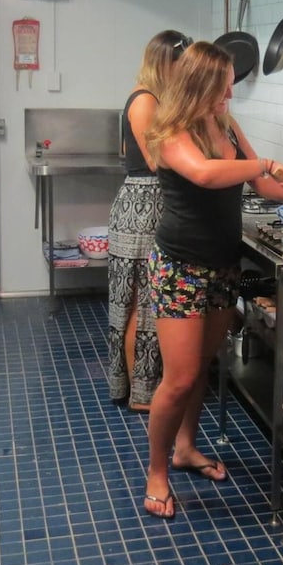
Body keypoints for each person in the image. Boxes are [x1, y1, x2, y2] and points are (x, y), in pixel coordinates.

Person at [142, 41, 283, 519]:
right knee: (179, 378)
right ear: (199, 85)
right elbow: (206, 174)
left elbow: (261, 185)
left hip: (222, 264)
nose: (230, 94)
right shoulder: (170, 130)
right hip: (179, 267)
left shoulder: (228, 125)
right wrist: (266, 163)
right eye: (224, 86)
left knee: (202, 365)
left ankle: (186, 448)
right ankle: (156, 473)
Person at [106, 30, 192, 411]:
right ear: (164, 63)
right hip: (141, 209)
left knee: (144, 304)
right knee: (140, 307)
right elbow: (157, 160)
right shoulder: (145, 100)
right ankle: (141, 395)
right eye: (181, 66)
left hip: (150, 205)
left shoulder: (154, 99)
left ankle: (141, 387)